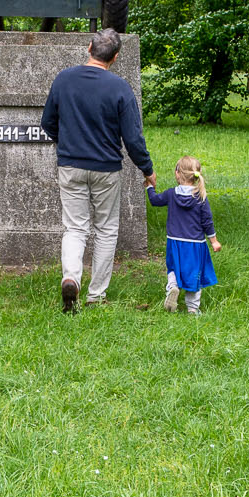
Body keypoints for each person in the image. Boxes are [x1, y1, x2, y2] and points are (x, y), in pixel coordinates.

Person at [39, 28, 154, 313]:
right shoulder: (120, 88)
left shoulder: (64, 79)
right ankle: (96, 295)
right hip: (106, 169)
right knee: (106, 230)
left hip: (70, 165)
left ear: (89, 47)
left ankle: (70, 279)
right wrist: (147, 170)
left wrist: (65, 144)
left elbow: (48, 123)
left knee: (75, 227)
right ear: (114, 58)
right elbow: (133, 139)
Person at [150, 156, 220, 315]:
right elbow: (207, 221)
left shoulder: (171, 194)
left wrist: (149, 187)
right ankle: (193, 309)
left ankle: (173, 287)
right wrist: (214, 241)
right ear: (197, 174)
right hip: (195, 244)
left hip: (174, 242)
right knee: (195, 273)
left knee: (174, 268)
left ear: (177, 174)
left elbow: (154, 200)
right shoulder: (200, 197)